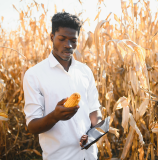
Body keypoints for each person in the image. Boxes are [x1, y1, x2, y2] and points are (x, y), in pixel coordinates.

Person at [23, 12, 102, 160]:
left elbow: (94, 111)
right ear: (52, 37)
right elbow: (32, 126)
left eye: (73, 40)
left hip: (89, 155)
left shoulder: (85, 71)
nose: (68, 45)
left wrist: (94, 134)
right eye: (62, 39)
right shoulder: (34, 75)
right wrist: (55, 116)